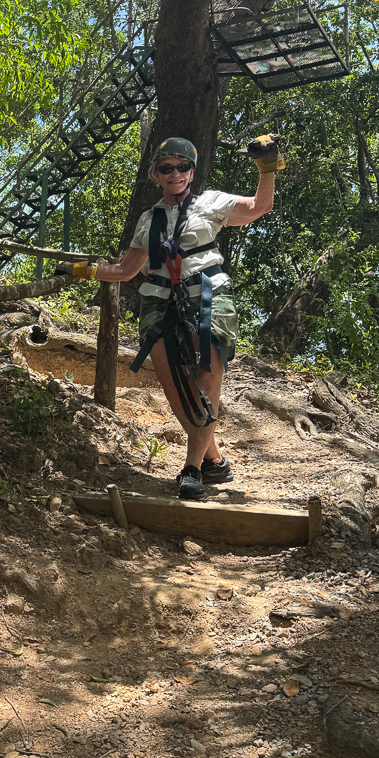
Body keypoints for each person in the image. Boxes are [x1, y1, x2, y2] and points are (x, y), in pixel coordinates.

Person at [73, 135, 279, 500]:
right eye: (167, 168)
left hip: (208, 293)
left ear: (192, 171)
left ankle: (192, 469)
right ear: (156, 173)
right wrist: (82, 270)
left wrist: (267, 165)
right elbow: (124, 271)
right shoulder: (148, 219)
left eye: (182, 167)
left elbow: (260, 206)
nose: (175, 173)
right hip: (159, 302)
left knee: (206, 372)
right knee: (177, 388)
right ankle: (213, 459)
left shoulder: (211, 202)